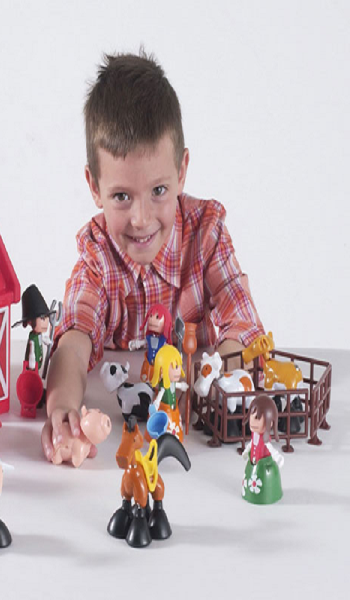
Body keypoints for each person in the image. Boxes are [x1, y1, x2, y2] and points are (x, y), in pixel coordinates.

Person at [42, 51, 264, 461]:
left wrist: (213, 381)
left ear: (181, 171)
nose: (142, 220)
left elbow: (243, 323)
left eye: (158, 191)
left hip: (197, 439)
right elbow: (72, 343)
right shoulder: (97, 253)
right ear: (94, 186)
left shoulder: (206, 232)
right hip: (127, 432)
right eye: (121, 196)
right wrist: (62, 408)